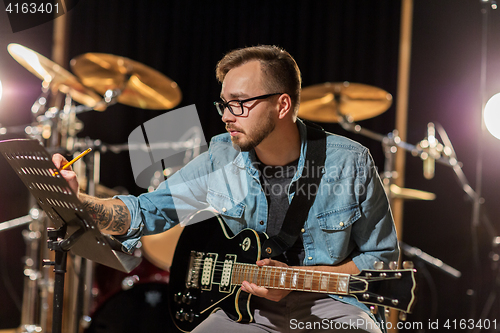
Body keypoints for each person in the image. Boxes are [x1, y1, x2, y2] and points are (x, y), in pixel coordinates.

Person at [53, 45, 398, 332]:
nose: (227, 116)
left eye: (240, 103)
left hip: (330, 306)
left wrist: (296, 278)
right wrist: (78, 201)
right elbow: (149, 210)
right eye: (224, 103)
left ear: (282, 105)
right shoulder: (221, 156)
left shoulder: (350, 162)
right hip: (245, 308)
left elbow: (380, 262)